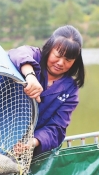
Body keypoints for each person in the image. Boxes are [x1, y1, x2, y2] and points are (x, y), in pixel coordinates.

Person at [9, 25, 85, 156]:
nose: (61, 63)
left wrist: (32, 142)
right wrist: (30, 76)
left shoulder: (71, 90)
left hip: (29, 149)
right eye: (58, 55)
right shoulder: (34, 56)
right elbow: (17, 53)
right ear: (49, 48)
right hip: (2, 132)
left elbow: (57, 128)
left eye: (68, 60)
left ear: (75, 62)